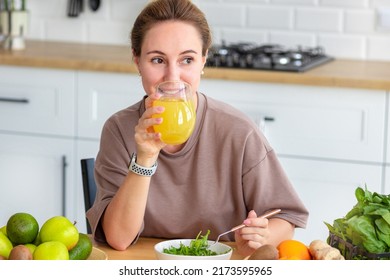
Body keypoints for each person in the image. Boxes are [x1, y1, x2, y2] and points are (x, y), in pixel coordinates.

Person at [86, 0, 309, 258]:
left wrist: (262, 235)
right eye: (158, 59)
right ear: (136, 60)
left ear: (203, 60)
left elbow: (286, 216)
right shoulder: (120, 130)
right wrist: (145, 159)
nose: (172, 77)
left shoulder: (239, 132)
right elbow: (118, 239)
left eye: (187, 60)